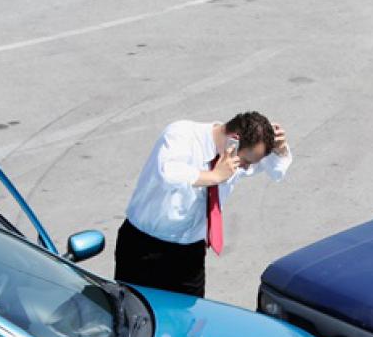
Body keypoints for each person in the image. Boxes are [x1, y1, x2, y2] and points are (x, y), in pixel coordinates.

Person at [114, 112, 291, 297]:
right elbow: (168, 173)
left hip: (190, 255)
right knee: (133, 317)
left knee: (191, 320)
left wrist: (282, 150)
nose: (246, 168)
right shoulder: (181, 134)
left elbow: (276, 171)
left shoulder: (234, 157)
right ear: (234, 140)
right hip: (145, 248)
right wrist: (214, 176)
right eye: (246, 161)